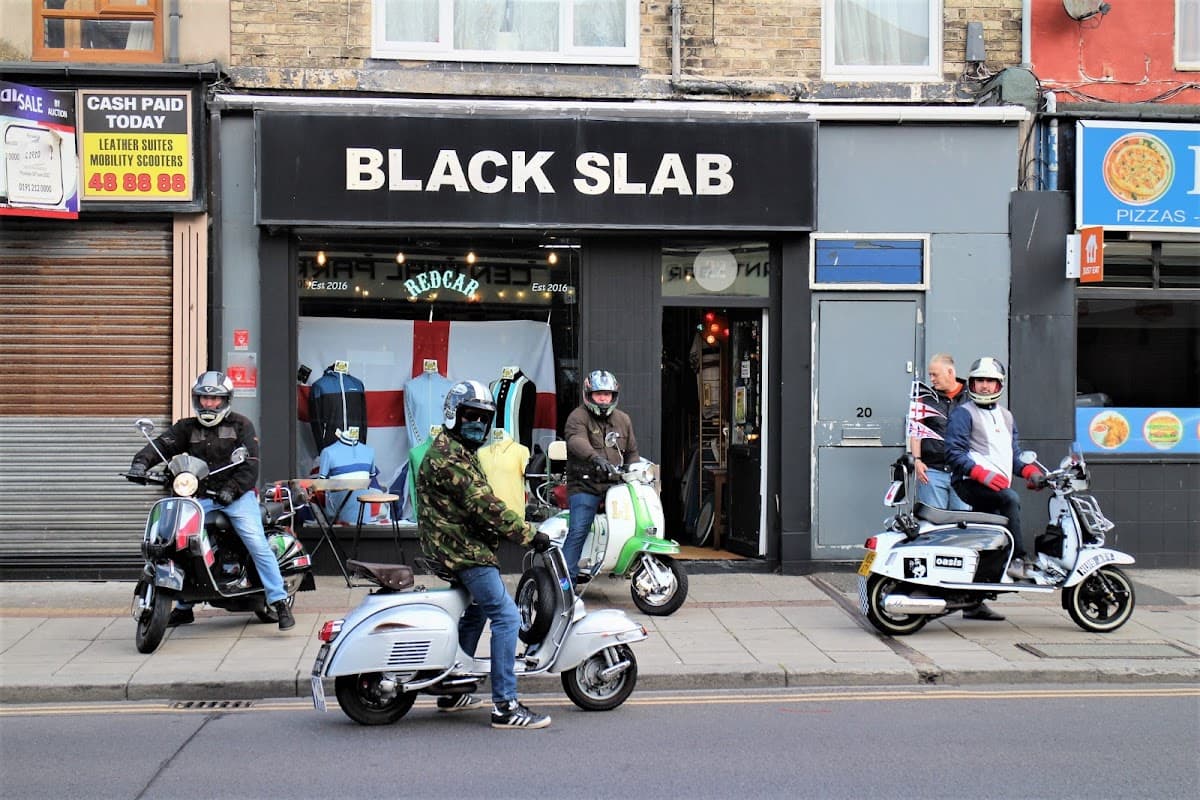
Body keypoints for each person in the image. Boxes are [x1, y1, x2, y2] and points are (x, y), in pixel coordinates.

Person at [417, 379, 553, 730]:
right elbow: (485, 506)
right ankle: (505, 706)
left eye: (483, 418)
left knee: (477, 611)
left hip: (457, 545)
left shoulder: (457, 449)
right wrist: (529, 535)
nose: (477, 424)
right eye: (470, 416)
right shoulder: (449, 457)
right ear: (453, 416)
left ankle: (451, 688)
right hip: (462, 551)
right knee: (506, 617)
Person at [128, 371, 295, 631]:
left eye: (214, 399)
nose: (208, 404)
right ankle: (183, 605)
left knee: (255, 541)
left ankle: (279, 601)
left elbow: (250, 465)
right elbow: (162, 445)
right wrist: (140, 463)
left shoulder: (241, 425)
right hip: (199, 496)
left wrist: (232, 488)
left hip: (237, 497)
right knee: (177, 539)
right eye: (204, 398)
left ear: (225, 400)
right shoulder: (186, 427)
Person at [909, 355, 1004, 621]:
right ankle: (928, 595)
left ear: (951, 372)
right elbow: (915, 430)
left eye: (935, 374)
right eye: (930, 375)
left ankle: (972, 602)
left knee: (965, 537)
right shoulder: (925, 398)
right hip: (934, 472)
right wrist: (916, 460)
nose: (932, 379)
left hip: (964, 476)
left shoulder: (973, 398)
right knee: (931, 533)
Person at [945, 357, 1045, 582]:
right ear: (971, 383)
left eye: (990, 381)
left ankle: (974, 601)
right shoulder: (963, 413)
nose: (985, 386)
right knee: (1010, 498)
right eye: (979, 380)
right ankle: (1018, 559)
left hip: (995, 486)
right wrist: (980, 473)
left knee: (990, 542)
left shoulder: (1006, 416)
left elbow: (1014, 455)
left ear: (999, 384)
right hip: (968, 482)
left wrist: (1030, 472)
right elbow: (953, 453)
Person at [562, 369, 639, 583]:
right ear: (589, 395)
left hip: (615, 487)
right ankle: (565, 582)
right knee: (579, 529)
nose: (603, 398)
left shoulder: (623, 419)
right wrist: (595, 458)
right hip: (585, 486)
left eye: (607, 394)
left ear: (614, 396)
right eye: (598, 394)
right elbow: (576, 440)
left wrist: (634, 471)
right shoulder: (578, 417)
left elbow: (632, 451)